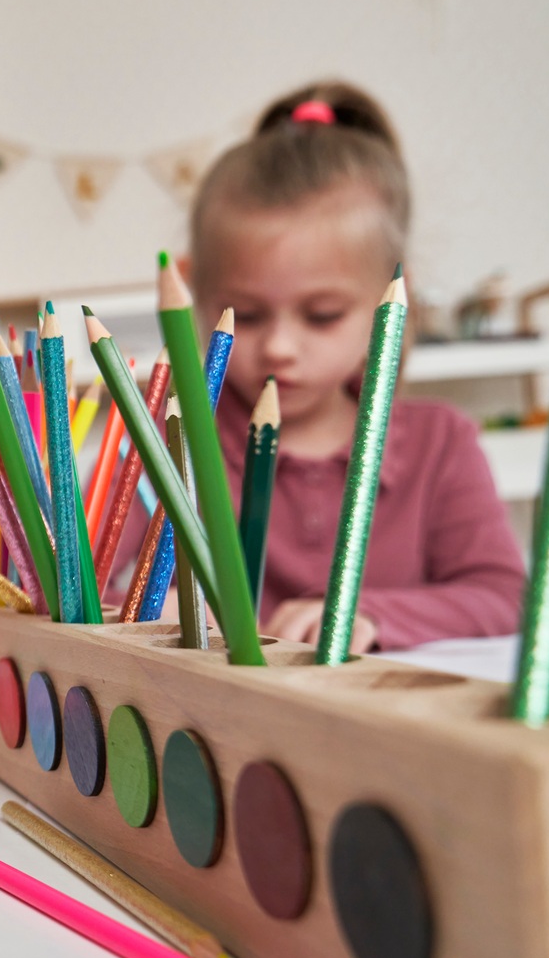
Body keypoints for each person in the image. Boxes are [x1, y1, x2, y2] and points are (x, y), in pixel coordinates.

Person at [184, 80, 524, 652]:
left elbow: (503, 594)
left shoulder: (441, 444)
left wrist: (367, 614)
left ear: (391, 300)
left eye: (321, 315)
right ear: (196, 293)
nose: (280, 348)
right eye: (244, 315)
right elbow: (95, 587)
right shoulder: (183, 447)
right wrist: (153, 608)